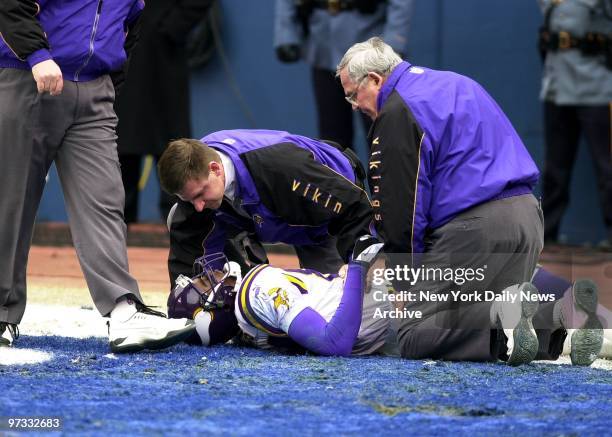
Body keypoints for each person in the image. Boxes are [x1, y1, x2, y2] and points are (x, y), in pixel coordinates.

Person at [335, 37, 603, 365]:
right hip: (527, 216)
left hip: (475, 227)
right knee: (494, 313)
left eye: (352, 94)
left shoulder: (396, 111)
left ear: (374, 80)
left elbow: (402, 209)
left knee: (415, 331)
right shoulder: (457, 83)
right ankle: (561, 309)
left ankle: (513, 309)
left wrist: (404, 280)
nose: (353, 105)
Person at [0, 0, 195, 352]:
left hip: (93, 91)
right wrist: (36, 54)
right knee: (10, 201)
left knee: (105, 200)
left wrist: (111, 78)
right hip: (26, 76)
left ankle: (122, 310)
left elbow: (130, 24)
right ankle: (2, 313)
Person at [157, 129, 373, 284]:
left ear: (216, 169)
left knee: (343, 311)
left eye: (201, 194)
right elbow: (187, 259)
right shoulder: (194, 173)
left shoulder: (284, 169)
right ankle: (243, 284)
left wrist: (354, 265)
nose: (198, 206)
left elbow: (356, 206)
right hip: (256, 217)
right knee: (181, 217)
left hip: (321, 215)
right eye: (190, 199)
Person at [168, 235, 399, 356]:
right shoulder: (257, 290)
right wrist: (358, 264)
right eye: (206, 281)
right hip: (394, 304)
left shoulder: (247, 332)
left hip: (387, 327)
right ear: (211, 315)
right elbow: (334, 343)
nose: (215, 272)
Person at [115, 0, 214, 224]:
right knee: (122, 145)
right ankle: (117, 225)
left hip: (165, 57)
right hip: (123, 54)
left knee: (172, 144)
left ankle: (177, 224)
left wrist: (173, 27)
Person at [274, 0, 413, 151]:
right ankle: (336, 174)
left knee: (380, 134)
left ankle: (384, 175)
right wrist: (286, 33)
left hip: (370, 46)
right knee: (332, 139)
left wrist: (395, 40)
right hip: (323, 44)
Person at [537, 0, 612, 247]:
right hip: (556, 87)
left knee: (607, 166)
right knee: (555, 168)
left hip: (598, 88)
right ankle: (548, 234)